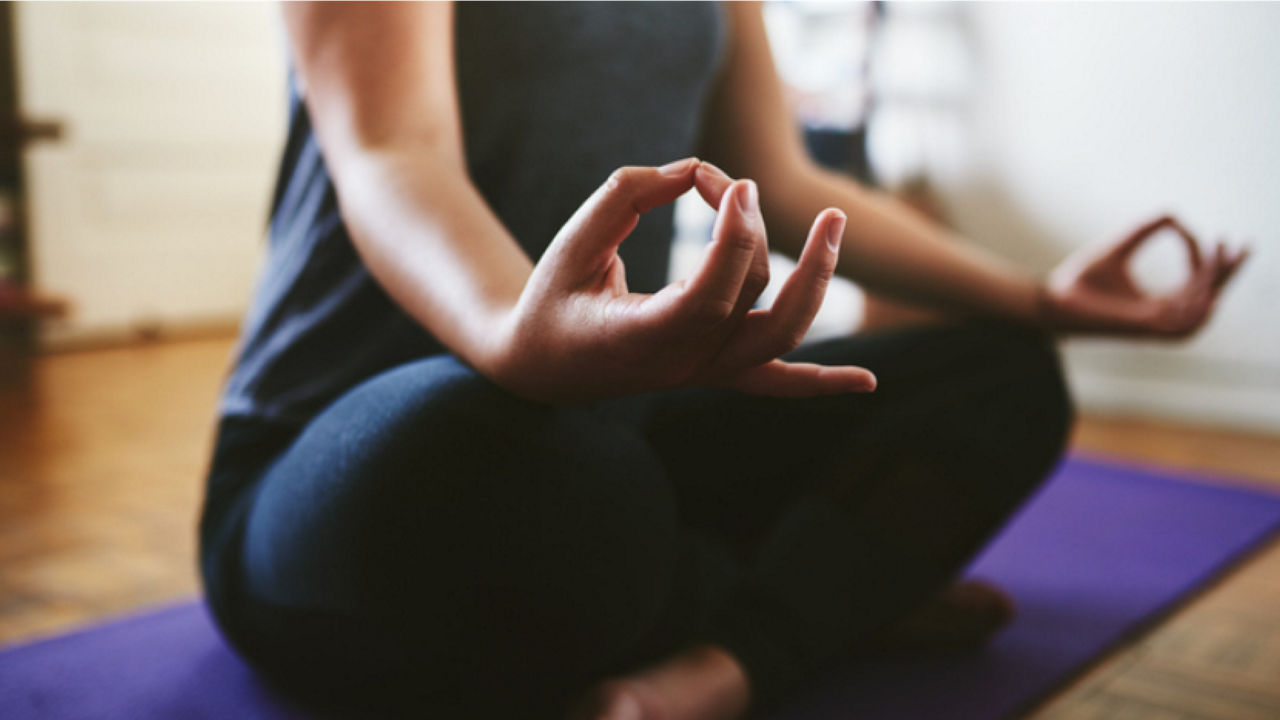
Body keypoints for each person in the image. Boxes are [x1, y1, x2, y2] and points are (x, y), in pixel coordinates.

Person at [198, 3, 1247, 719]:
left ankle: (730, 661)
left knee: (1004, 374)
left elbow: (782, 181)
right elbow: (391, 155)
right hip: (358, 470)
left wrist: (1038, 298)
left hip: (607, 448)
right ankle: (827, 590)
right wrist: (519, 338)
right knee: (485, 450)